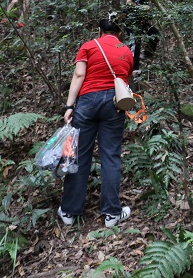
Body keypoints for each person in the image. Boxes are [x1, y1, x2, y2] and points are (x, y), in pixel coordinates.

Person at [58, 17, 134, 227]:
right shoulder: (126, 51)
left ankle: (69, 212)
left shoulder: (89, 46)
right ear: (118, 32)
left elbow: (79, 74)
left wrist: (69, 106)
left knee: (79, 155)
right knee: (110, 156)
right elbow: (125, 79)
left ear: (99, 30)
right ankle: (111, 214)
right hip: (114, 104)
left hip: (88, 102)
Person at [124, 0, 162, 70]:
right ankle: (133, 69)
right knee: (135, 44)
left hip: (142, 22)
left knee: (155, 34)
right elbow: (128, 2)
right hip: (132, 22)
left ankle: (147, 55)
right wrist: (141, 8)